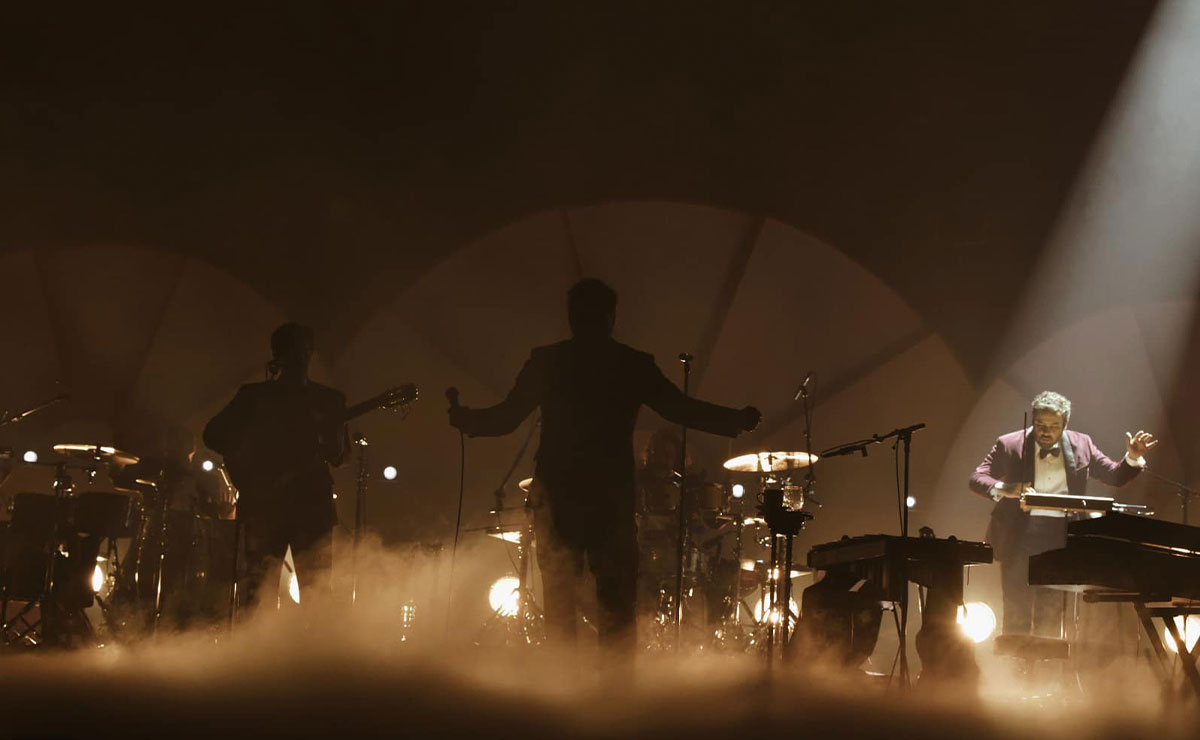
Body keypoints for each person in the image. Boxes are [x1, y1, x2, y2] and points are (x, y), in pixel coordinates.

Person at [448, 279, 760, 657]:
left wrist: (467, 419)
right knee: (616, 602)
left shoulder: (548, 361)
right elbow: (679, 409)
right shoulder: (631, 364)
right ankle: (615, 695)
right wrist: (734, 419)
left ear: (571, 317)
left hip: (559, 494)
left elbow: (506, 418)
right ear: (611, 318)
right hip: (610, 496)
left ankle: (562, 691)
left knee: (560, 600)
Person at [969, 391, 1157, 636]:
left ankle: (1046, 671)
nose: (1046, 432)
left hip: (1060, 539)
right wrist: (1006, 488)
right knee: (1017, 611)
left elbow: (1114, 475)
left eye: (1054, 426)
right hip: (1018, 538)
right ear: (1032, 420)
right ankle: (1016, 668)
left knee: (1052, 613)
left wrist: (1132, 457)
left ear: (1065, 425)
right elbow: (976, 478)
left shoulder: (1083, 444)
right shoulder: (1009, 444)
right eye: (1040, 425)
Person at [203, 323, 349, 610]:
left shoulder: (328, 400)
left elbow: (340, 457)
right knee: (258, 589)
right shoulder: (255, 397)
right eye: (295, 349)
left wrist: (331, 433)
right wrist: (250, 468)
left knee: (315, 589)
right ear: (278, 355)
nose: (302, 355)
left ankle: (309, 651)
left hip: (310, 505)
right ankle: (257, 650)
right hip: (267, 506)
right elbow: (214, 435)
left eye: (305, 348)